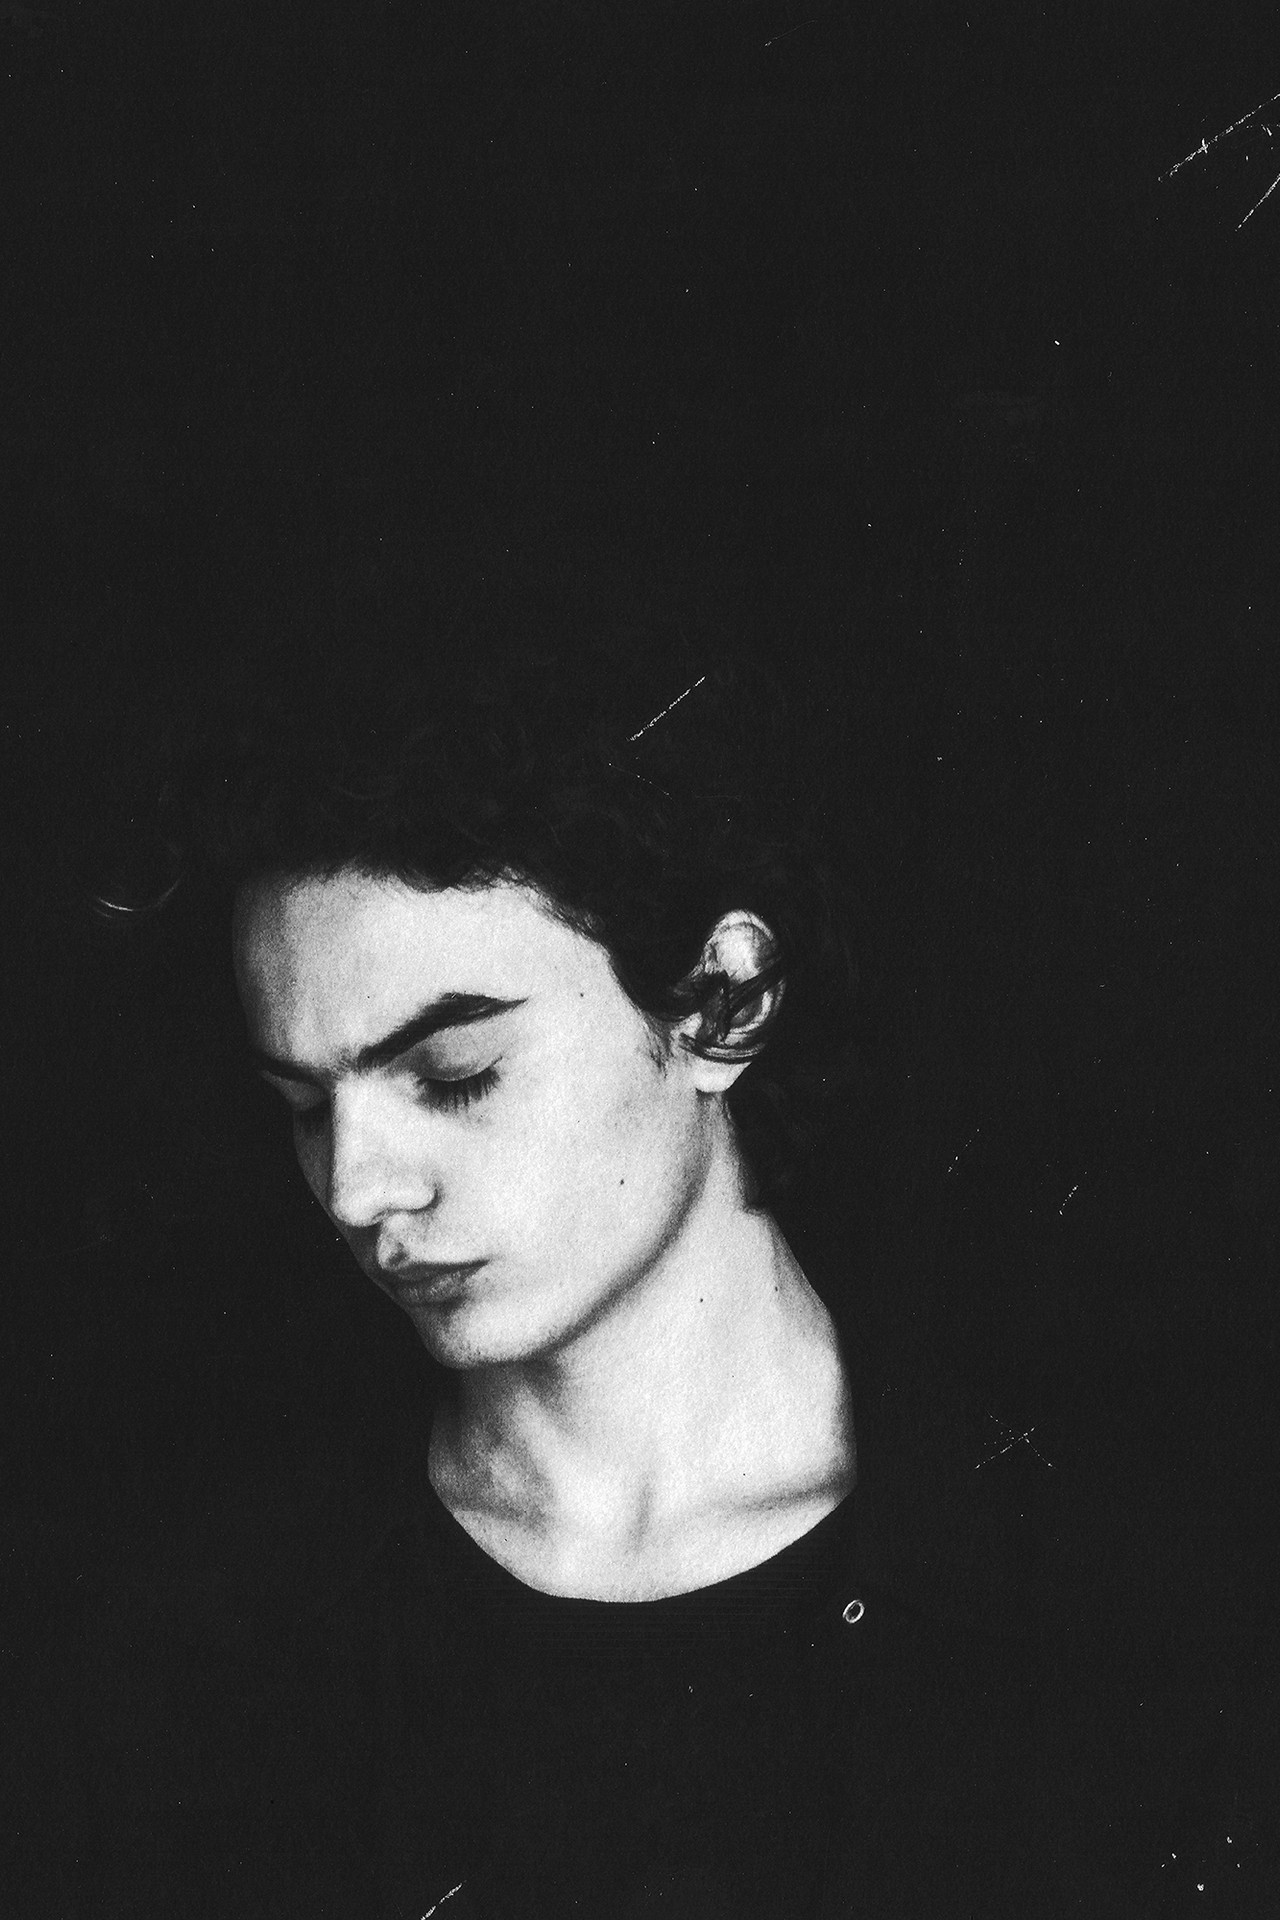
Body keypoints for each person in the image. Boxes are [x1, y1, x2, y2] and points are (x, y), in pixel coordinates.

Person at [34, 591, 1150, 1917]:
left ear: (723, 1002)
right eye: (301, 1104)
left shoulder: (1101, 1599)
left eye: (456, 1073)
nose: (353, 1186)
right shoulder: (198, 1629)